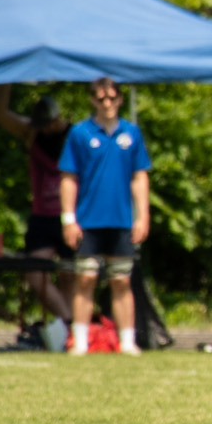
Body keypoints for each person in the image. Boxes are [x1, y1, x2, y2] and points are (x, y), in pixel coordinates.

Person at [59, 77, 152, 355]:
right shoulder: (80, 133)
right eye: (101, 99)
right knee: (85, 278)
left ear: (120, 99)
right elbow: (68, 178)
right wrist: (68, 218)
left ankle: (126, 341)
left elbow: (139, 177)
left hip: (121, 219)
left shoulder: (131, 133)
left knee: (122, 280)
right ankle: (81, 341)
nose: (107, 103)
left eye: (112, 98)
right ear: (92, 100)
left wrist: (142, 216)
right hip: (88, 220)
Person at [0, 85, 75, 347]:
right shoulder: (32, 132)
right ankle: (69, 321)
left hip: (71, 215)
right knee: (34, 274)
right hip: (42, 217)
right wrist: (7, 80)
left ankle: (67, 338)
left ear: (58, 118)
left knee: (70, 276)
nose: (44, 129)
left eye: (48, 124)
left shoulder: (76, 135)